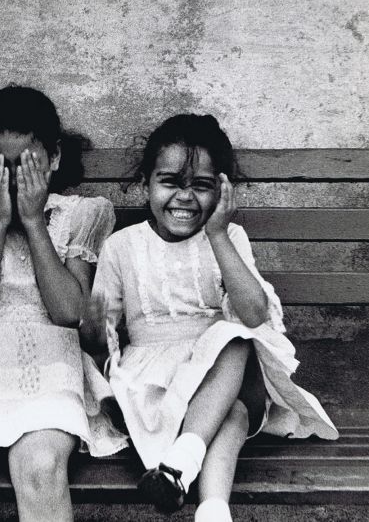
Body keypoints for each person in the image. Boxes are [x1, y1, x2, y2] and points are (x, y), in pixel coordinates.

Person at [82, 114, 338, 522]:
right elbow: (101, 338)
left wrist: (218, 234)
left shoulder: (229, 237)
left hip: (223, 373)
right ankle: (211, 504)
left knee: (234, 336)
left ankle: (182, 468)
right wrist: (95, 326)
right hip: (155, 387)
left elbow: (254, 316)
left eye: (200, 186)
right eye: (169, 182)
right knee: (231, 414)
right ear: (145, 181)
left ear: (221, 190)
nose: (184, 198)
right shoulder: (121, 246)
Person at [0, 85, 127, 522]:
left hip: (50, 362)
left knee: (39, 466)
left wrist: (33, 222)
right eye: (1, 167)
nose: (14, 180)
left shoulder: (79, 215)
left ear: (53, 159)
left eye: (27, 165)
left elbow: (69, 311)